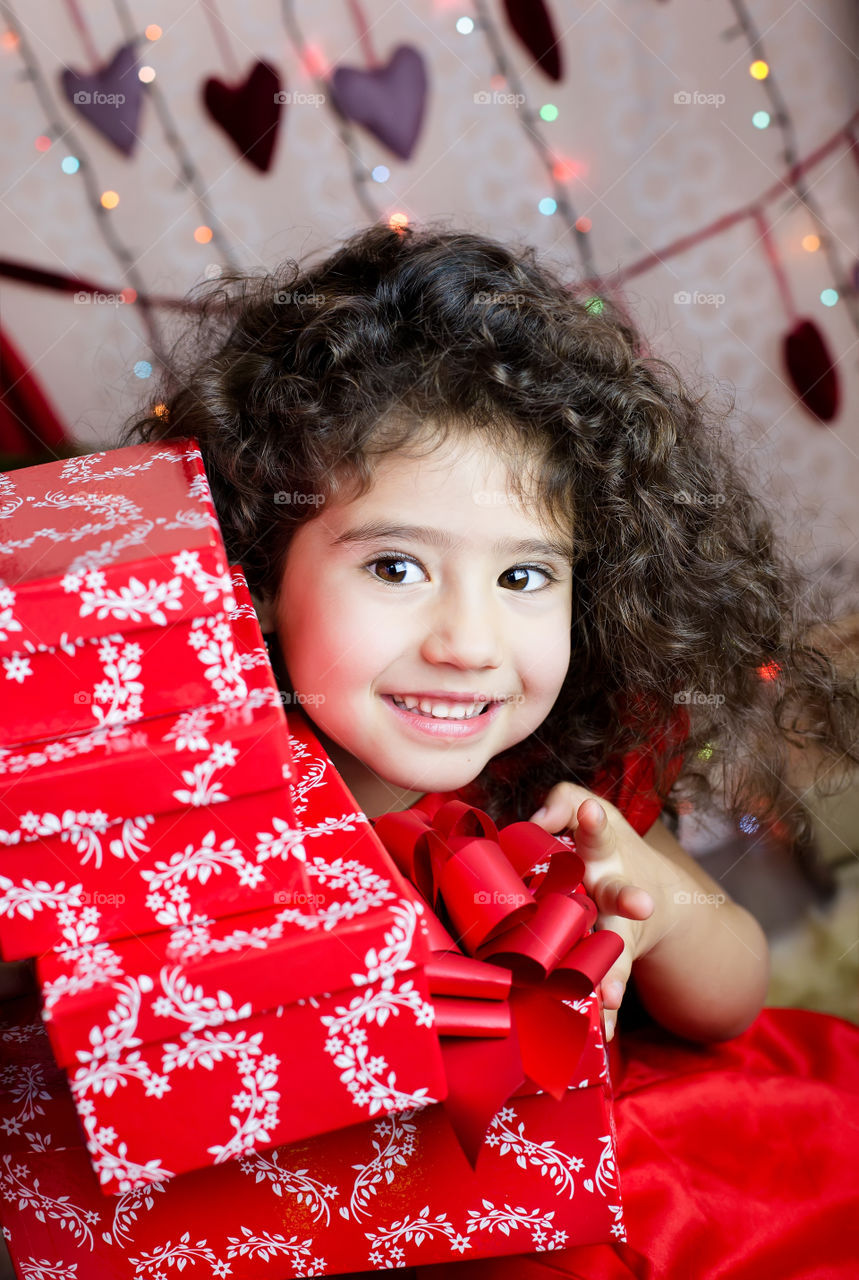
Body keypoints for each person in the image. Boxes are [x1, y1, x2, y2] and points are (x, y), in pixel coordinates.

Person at [120, 221, 859, 1278]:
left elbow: (729, 997)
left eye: (522, 577)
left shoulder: (555, 786)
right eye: (394, 567)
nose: (467, 643)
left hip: (662, 1187)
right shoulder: (194, 812)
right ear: (262, 575)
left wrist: (653, 903)